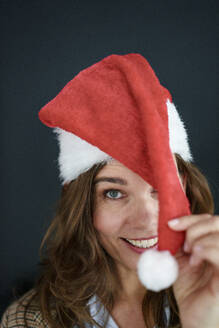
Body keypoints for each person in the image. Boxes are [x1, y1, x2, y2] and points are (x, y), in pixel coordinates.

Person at [1, 54, 219, 328]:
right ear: (81, 203)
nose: (147, 220)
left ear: (184, 185)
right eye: (113, 193)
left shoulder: (215, 298)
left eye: (161, 188)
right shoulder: (28, 320)